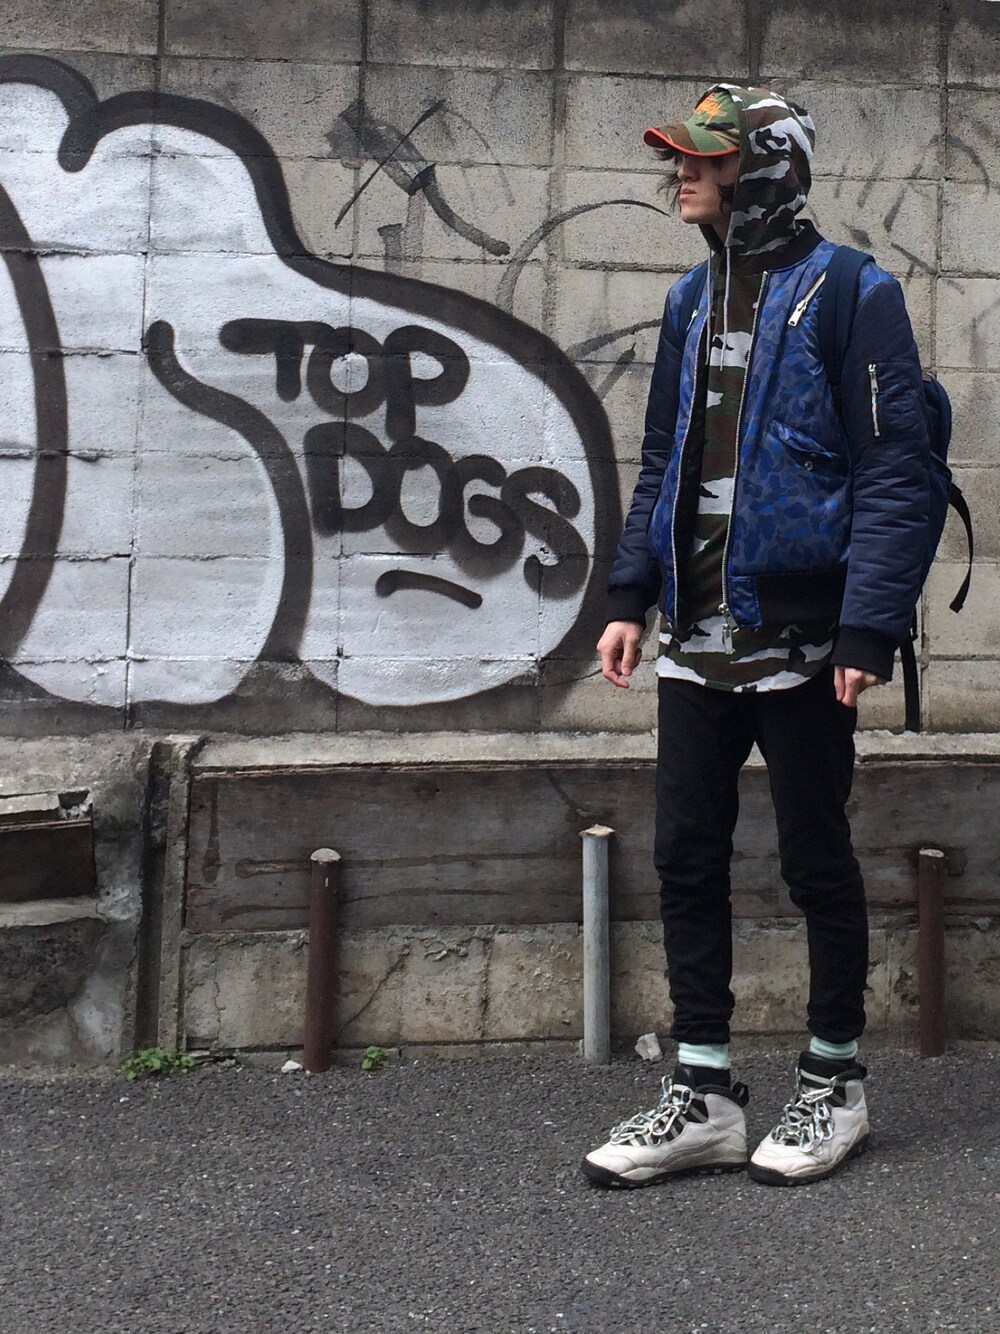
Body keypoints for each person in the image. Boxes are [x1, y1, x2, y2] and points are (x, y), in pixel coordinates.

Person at [582, 85, 930, 1188]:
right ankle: (705, 1093)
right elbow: (663, 459)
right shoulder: (690, 298)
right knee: (686, 855)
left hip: (805, 640)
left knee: (813, 858)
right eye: (682, 160)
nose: (682, 175)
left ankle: (834, 1081)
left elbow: (896, 472)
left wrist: (868, 626)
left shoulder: (853, 293)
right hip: (695, 638)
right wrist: (629, 594)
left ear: (768, 169)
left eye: (709, 160)